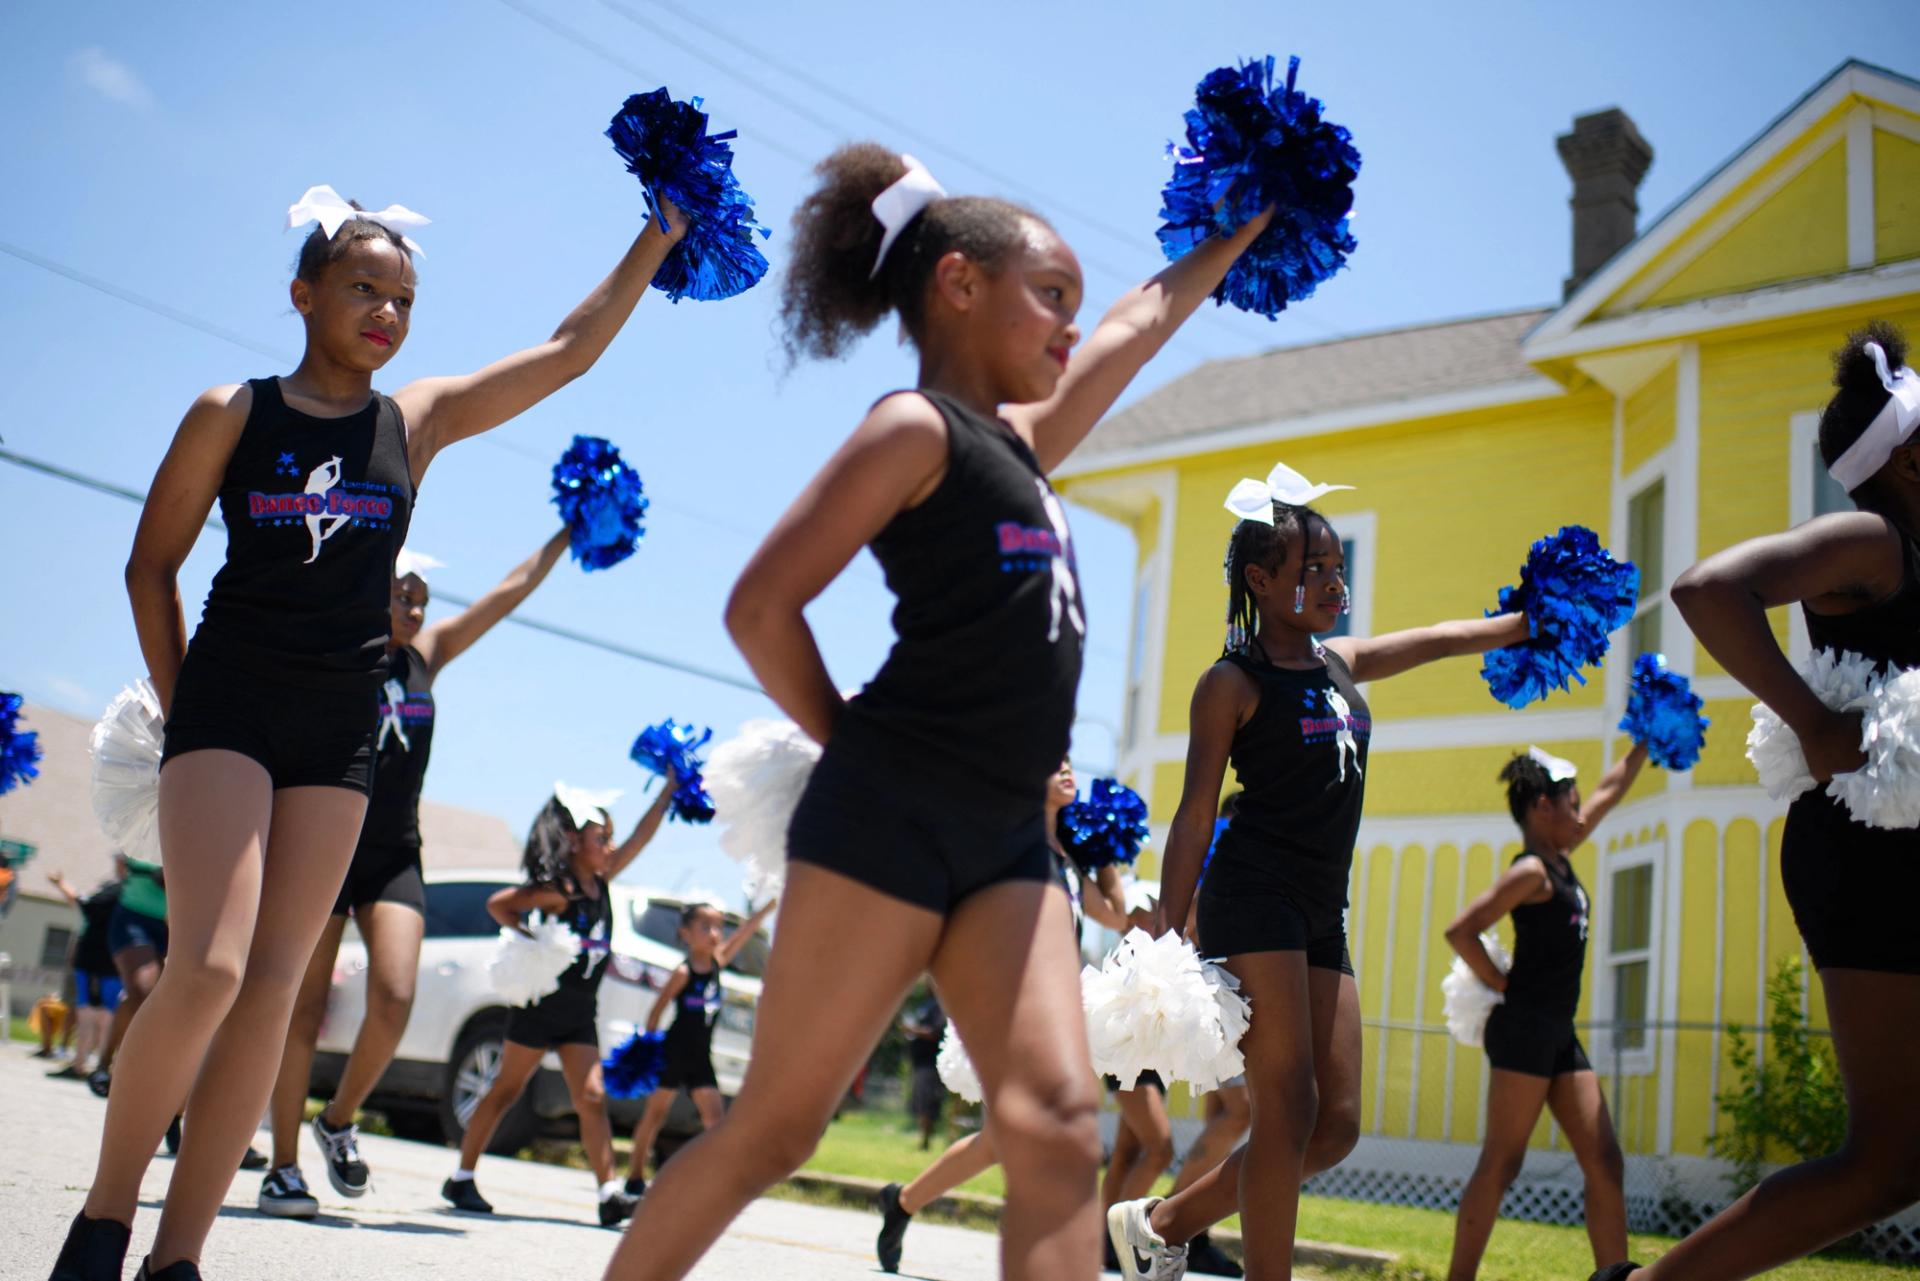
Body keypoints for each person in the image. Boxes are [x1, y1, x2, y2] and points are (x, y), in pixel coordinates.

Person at [605, 147, 1275, 1281]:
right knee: (778, 1127)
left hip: (1010, 838)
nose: (1072, 325)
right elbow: (762, 607)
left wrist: (1246, 222)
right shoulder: (916, 430)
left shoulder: (1027, 447)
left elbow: (1136, 323)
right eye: (1048, 295)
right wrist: (854, 742)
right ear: (959, 286)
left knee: (1059, 1127)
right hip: (891, 815)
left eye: (1072, 301)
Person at [49, 185, 690, 1281]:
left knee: (272, 980)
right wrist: (183, 705)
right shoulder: (233, 413)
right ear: (302, 295)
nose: (387, 311)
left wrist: (659, 234)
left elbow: (566, 351)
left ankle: (178, 1260)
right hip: (228, 708)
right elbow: (149, 564)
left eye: (403, 297)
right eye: (363, 287)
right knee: (206, 967)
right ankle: (104, 1225)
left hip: (339, 733)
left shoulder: (415, 421)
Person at [1110, 483, 1532, 1281]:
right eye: (1316, 567)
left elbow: (1439, 639)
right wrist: (1165, 932)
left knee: (1334, 1126)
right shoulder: (1231, 682)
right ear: (1262, 581)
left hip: (1319, 906)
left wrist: (1522, 624)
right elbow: (1195, 814)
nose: (1337, 583)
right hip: (1252, 891)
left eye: (1341, 566)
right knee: (1288, 1109)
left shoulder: (1341, 663)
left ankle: (1161, 1222)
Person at [1612, 324, 1920, 1279]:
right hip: (1871, 856)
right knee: (1884, 1164)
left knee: (1897, 1165)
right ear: (1909, 457)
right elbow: (1707, 589)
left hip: (1888, 851)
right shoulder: (1875, 537)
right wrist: (1813, 724)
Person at [261, 529, 573, 1218]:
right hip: (323, 843)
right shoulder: (339, 647)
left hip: (393, 849)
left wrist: (568, 534)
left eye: (422, 599)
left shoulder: (426, 658)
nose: (414, 608)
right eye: (402, 594)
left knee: (396, 995)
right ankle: (282, 1165)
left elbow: (506, 592)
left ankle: (337, 1119)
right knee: (302, 1009)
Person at [874, 759, 1128, 1273]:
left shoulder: (1067, 856)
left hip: (1058, 1010)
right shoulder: (1015, 846)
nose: (1066, 768)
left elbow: (1115, 914)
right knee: (1044, 1135)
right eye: (1051, 761)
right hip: (1014, 1005)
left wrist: (1105, 848)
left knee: (998, 1142)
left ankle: (901, 1202)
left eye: (1068, 761)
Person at [1440, 744, 1646, 1281]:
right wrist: (1500, 981)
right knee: (1502, 1162)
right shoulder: (1532, 872)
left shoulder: (1562, 853)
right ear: (1541, 808)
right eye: (1568, 800)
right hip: (1525, 1028)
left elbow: (1608, 791)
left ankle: (1614, 1277)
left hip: (1557, 1031)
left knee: (1605, 1161)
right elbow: (1461, 931)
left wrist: (1646, 737)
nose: (1581, 810)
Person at [442, 783, 672, 1225]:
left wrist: (666, 794)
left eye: (609, 838)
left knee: (591, 1096)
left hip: (579, 1014)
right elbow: (499, 905)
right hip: (541, 1010)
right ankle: (462, 1177)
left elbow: (641, 838)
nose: (610, 846)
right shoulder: (558, 891)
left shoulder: (601, 882)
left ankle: (609, 1193)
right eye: (601, 838)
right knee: (506, 1090)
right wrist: (533, 943)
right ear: (573, 841)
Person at [622, 898, 778, 1197]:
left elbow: (743, 933)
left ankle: (714, 1181)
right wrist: (646, 1050)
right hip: (673, 1053)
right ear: (685, 934)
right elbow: (656, 1012)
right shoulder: (683, 973)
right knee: (654, 1115)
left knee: (715, 1121)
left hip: (700, 1057)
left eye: (718, 927)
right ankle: (635, 1176)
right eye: (705, 927)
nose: (714, 933)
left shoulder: (718, 964)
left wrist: (766, 908)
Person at [46, 866, 125, 1081]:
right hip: (117, 960)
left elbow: (85, 905)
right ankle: (99, 1065)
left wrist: (61, 884)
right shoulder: (130, 895)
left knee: (91, 1013)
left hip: (97, 960)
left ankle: (82, 1063)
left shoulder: (117, 890)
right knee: (106, 1014)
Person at [903, 992, 949, 1150]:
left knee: (927, 1103)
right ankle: (923, 1139)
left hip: (931, 1063)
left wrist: (913, 1030)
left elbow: (934, 1032)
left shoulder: (939, 1005)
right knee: (921, 1102)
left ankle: (926, 1140)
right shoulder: (926, 1004)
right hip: (920, 1062)